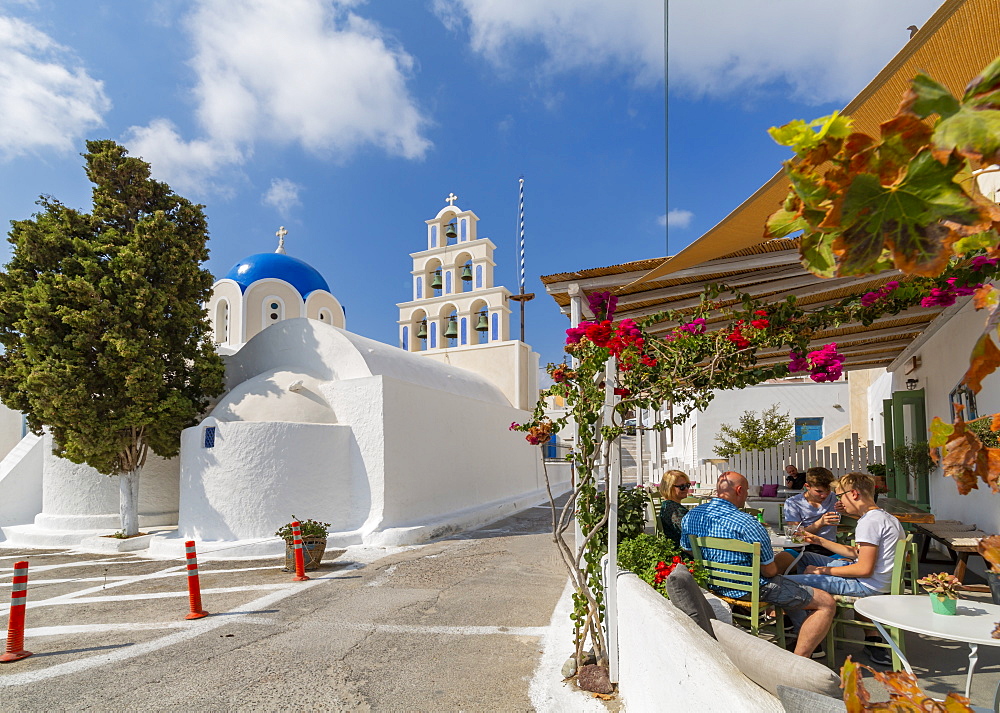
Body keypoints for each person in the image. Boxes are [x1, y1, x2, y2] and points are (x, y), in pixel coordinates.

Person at [681, 471, 836, 659]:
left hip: (714, 585)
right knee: (826, 602)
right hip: (750, 589)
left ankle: (793, 627)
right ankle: (799, 661)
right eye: (745, 491)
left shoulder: (692, 516)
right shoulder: (748, 523)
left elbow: (688, 550)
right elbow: (769, 571)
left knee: (791, 577)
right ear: (739, 491)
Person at [785, 472, 904, 666]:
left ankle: (806, 637)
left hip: (866, 585)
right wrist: (818, 540)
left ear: (854, 494)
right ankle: (810, 614)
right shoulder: (883, 517)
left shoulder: (869, 523)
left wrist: (821, 571)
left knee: (785, 583)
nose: (838, 502)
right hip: (876, 580)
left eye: (840, 496)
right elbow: (857, 554)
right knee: (804, 557)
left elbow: (863, 569)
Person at [783, 466, 840, 550]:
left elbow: (861, 514)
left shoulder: (836, 497)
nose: (824, 495)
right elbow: (795, 534)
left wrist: (846, 511)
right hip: (803, 546)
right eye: (819, 491)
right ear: (807, 486)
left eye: (828, 490)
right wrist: (820, 523)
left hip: (829, 546)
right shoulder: (793, 502)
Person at [657, 469, 691, 547]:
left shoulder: (667, 505)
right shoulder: (675, 511)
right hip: (682, 553)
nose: (686, 489)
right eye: (682, 487)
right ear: (669, 488)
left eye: (687, 485)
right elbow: (691, 535)